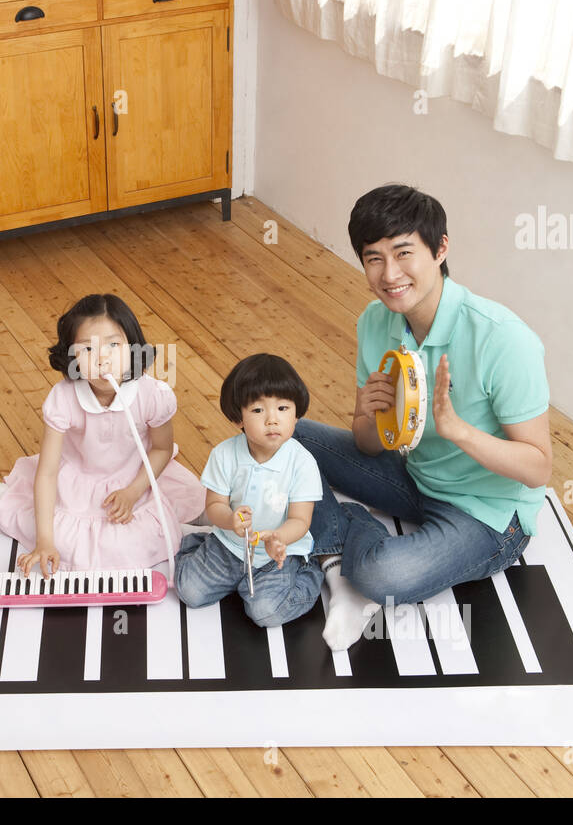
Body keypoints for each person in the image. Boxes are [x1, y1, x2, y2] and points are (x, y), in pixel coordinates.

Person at [295, 184, 552, 649]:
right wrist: (372, 416)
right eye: (373, 258)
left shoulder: (503, 339)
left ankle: (346, 543)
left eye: (403, 253)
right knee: (287, 436)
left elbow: (538, 468)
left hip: (485, 512)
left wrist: (458, 432)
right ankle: (337, 557)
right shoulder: (376, 321)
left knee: (380, 574)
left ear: (440, 249)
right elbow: (369, 443)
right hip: (414, 475)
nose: (389, 274)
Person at [0, 293, 204, 577]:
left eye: (113, 345)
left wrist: (134, 492)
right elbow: (46, 473)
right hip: (77, 476)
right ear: (71, 356)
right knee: (58, 536)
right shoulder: (63, 397)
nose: (102, 359)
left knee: (143, 534)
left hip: (134, 472)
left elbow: (161, 449)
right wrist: (44, 540)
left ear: (133, 347)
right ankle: (1, 497)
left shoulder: (152, 394)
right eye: (87, 349)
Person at [173, 354, 325, 628]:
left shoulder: (302, 463)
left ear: (296, 413)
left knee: (266, 613)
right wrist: (230, 520)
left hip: (279, 553)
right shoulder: (225, 454)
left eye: (282, 408)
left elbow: (301, 520)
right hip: (230, 544)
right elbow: (215, 505)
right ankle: (199, 547)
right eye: (258, 410)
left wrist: (278, 538)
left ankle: (309, 572)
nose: (272, 420)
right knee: (190, 592)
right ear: (237, 419)